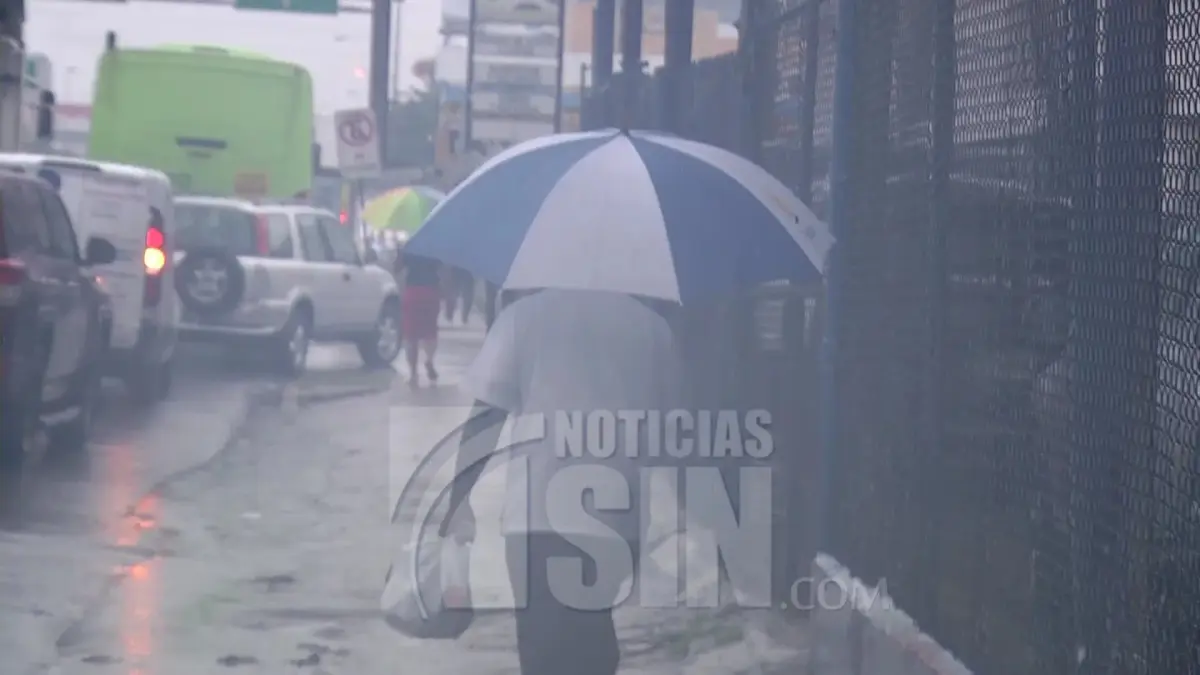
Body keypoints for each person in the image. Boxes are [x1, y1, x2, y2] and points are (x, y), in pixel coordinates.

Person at [439, 289, 684, 675]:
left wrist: (458, 499)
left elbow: (485, 420)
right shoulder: (652, 328)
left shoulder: (521, 318)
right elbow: (668, 433)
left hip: (538, 516)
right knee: (592, 630)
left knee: (544, 647)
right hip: (618, 517)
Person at [393, 248, 442, 386]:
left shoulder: (410, 247)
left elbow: (396, 269)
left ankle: (413, 373)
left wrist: (399, 253)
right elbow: (444, 271)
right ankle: (429, 360)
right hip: (431, 291)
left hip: (413, 292)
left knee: (411, 335)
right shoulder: (435, 246)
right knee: (431, 332)